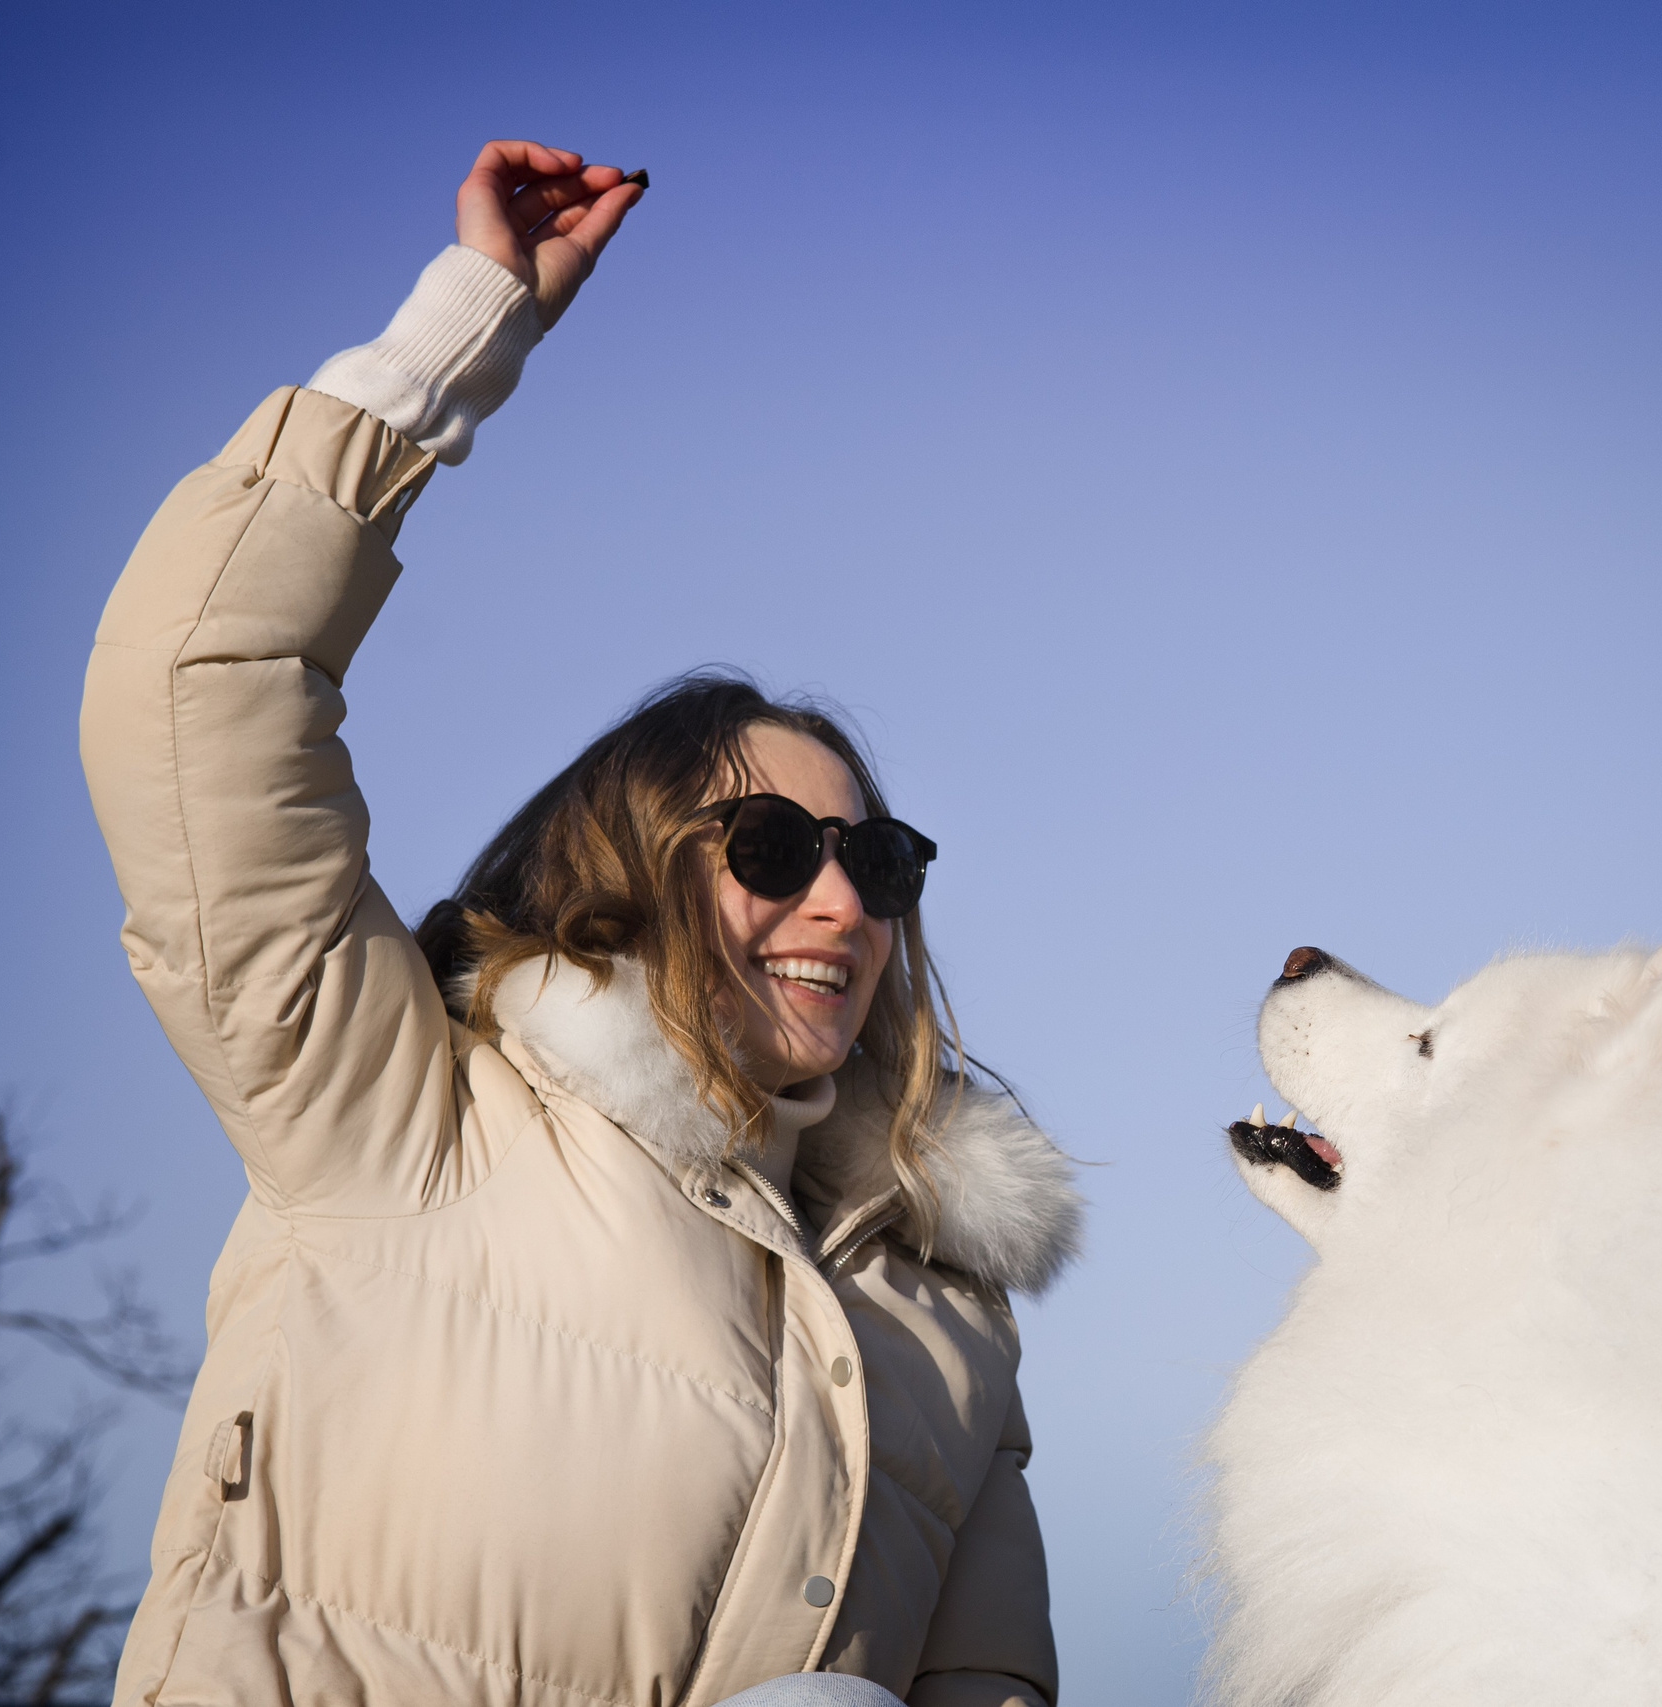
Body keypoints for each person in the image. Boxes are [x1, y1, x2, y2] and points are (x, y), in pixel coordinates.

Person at [79, 140, 1083, 1707]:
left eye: (877, 862)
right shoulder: (401, 1109)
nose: (841, 902)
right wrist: (452, 337)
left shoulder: (944, 1307)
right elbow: (199, 696)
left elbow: (991, 1681)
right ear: (623, 868)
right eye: (772, 847)